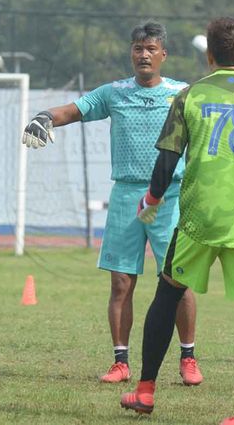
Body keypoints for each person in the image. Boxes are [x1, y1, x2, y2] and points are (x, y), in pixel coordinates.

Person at [120, 17, 234, 425]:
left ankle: (145, 392)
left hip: (198, 218)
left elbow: (167, 160)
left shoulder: (190, 96)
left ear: (209, 54)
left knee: (167, 296)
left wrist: (152, 198)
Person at [22, 21, 202, 386]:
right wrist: (45, 117)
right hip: (126, 197)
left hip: (170, 197)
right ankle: (121, 362)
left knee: (178, 280)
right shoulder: (114, 92)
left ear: (163, 55)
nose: (144, 54)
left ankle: (188, 358)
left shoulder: (183, 94)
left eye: (151, 48)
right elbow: (74, 110)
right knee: (121, 283)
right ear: (131, 53)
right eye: (138, 48)